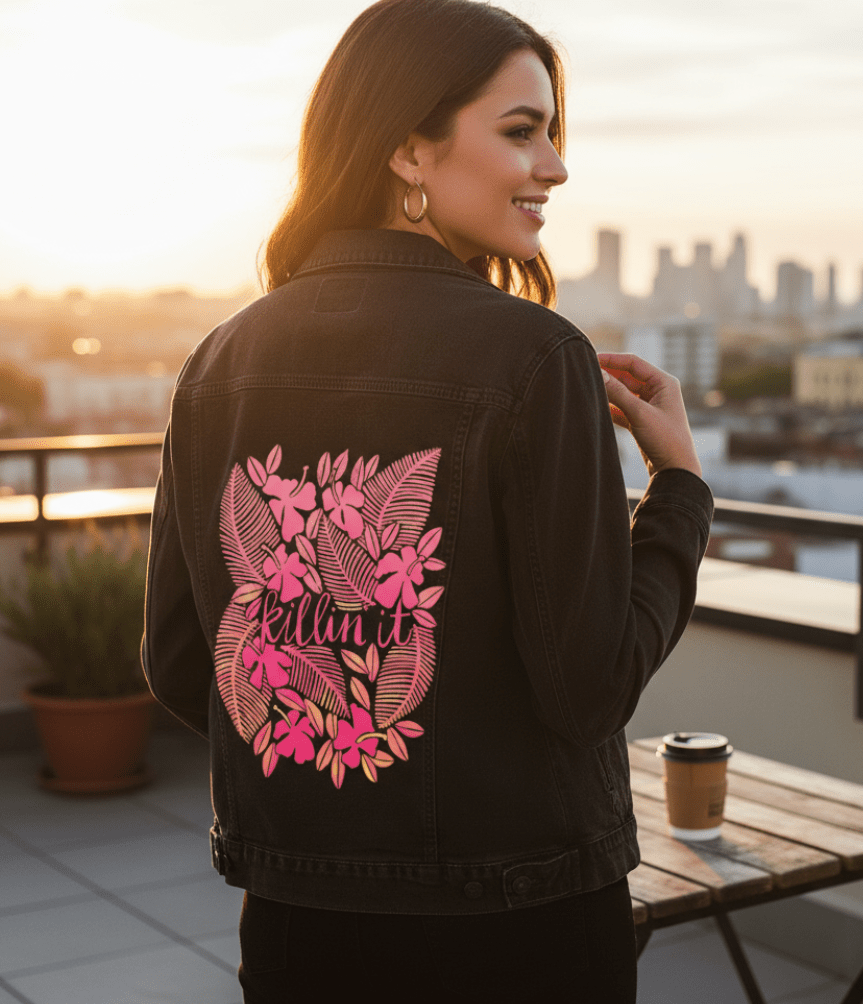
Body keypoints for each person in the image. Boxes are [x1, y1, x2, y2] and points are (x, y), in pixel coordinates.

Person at [140, 1, 714, 1001]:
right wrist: (679, 490)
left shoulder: (219, 362)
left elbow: (185, 660)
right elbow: (588, 687)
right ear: (409, 150)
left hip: (296, 921)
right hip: (518, 924)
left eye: (553, 133)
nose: (556, 166)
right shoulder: (535, 357)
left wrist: (330, 760)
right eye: (520, 130)